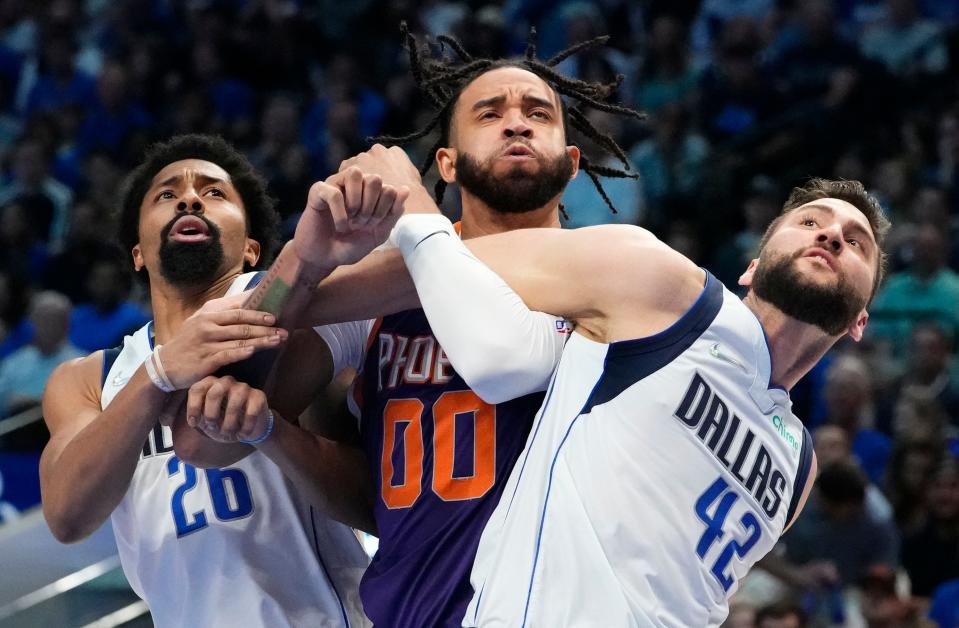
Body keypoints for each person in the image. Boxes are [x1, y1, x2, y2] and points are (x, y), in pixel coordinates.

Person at [194, 28, 644, 627]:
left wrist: (409, 228)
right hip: (409, 607)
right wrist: (307, 256)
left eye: (539, 113)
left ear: (571, 165)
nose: (517, 123)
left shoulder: (617, 276)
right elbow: (207, 444)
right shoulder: (384, 288)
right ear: (447, 163)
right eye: (490, 114)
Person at [330, 148, 889, 625]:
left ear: (859, 320)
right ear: (752, 265)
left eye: (856, 242)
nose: (832, 235)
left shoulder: (800, 465)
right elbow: (429, 274)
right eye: (811, 221)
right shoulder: (668, 290)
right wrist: (279, 300)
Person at [39, 134, 372, 627]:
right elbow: (68, 516)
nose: (190, 198)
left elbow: (367, 503)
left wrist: (271, 431)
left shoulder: (293, 313)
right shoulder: (90, 379)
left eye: (215, 193)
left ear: (253, 248)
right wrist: (157, 374)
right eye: (166, 195)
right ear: (137, 252)